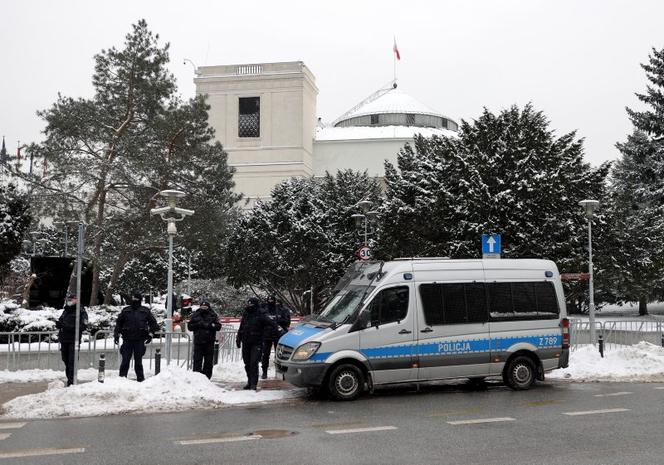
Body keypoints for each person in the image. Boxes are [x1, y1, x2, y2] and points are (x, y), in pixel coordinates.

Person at [236, 297, 280, 390]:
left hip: (257, 342)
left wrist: (265, 334)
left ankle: (253, 384)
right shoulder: (246, 313)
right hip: (246, 341)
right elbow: (242, 327)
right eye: (248, 304)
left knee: (253, 363)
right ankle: (249, 381)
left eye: (251, 304)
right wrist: (238, 338)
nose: (249, 306)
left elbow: (272, 324)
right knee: (247, 363)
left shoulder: (261, 314)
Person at [114, 291, 159, 382]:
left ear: (140, 300)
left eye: (136, 299)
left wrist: (150, 335)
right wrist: (116, 335)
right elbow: (119, 323)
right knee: (125, 361)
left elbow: (154, 324)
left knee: (138, 362)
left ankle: (140, 379)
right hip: (127, 340)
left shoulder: (145, 311)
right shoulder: (126, 310)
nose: (134, 300)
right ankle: (122, 379)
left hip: (139, 340)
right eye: (133, 298)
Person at [55, 293, 88, 386]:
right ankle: (69, 379)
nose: (69, 301)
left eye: (71, 300)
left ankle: (71, 382)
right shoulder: (66, 310)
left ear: (76, 300)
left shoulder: (80, 311)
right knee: (65, 360)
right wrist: (59, 324)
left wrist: (68, 327)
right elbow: (61, 320)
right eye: (68, 300)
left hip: (74, 340)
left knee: (72, 362)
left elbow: (83, 325)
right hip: (64, 339)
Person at [187, 300, 221, 379]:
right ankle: (196, 377)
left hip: (209, 342)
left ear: (208, 307)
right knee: (197, 361)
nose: (204, 308)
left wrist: (210, 326)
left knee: (208, 361)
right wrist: (198, 324)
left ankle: (207, 378)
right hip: (198, 342)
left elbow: (218, 326)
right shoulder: (195, 315)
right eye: (202, 307)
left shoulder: (213, 315)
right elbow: (190, 327)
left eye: (205, 307)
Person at [260, 295, 291, 379]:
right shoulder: (264, 311)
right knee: (265, 355)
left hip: (279, 336)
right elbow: (260, 322)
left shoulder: (281, 310)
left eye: (272, 300)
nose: (270, 302)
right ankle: (264, 372)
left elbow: (287, 322)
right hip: (266, 336)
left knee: (279, 355)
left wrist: (277, 320)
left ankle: (279, 372)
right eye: (269, 300)